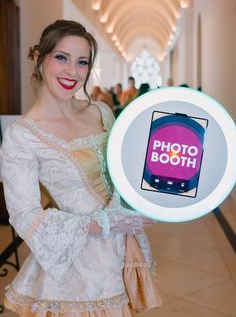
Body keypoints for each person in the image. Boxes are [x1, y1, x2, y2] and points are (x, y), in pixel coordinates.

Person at [0, 20, 162, 317]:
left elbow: (122, 174)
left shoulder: (100, 112)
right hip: (77, 266)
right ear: (39, 59)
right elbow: (25, 216)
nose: (72, 72)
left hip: (125, 247)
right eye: (61, 57)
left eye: (82, 62)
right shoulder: (22, 134)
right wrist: (104, 224)